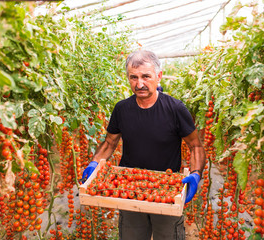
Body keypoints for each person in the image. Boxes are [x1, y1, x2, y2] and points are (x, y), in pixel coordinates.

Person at [82, 49, 206, 240]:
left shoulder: (175, 109)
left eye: (146, 76)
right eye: (133, 77)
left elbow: (195, 146)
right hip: (128, 189)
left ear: (159, 76)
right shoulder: (122, 109)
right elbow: (110, 142)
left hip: (167, 191)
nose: (139, 84)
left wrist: (196, 174)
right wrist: (94, 163)